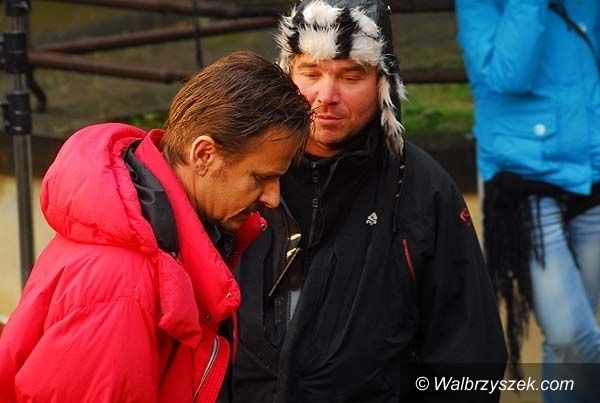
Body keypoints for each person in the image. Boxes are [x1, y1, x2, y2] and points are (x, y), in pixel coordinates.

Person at [229, 1, 508, 402]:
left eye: (351, 75)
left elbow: (469, 356)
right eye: (311, 73)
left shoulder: (421, 189)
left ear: (383, 83)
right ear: (287, 74)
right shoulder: (240, 174)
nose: (326, 96)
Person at [0, 51, 311, 403]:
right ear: (204, 155)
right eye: (260, 177)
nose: (273, 198)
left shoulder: (159, 233)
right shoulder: (124, 283)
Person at [456, 1, 600, 401]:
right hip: (521, 181)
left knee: (566, 340)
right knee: (570, 336)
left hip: (591, 170)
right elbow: (509, 74)